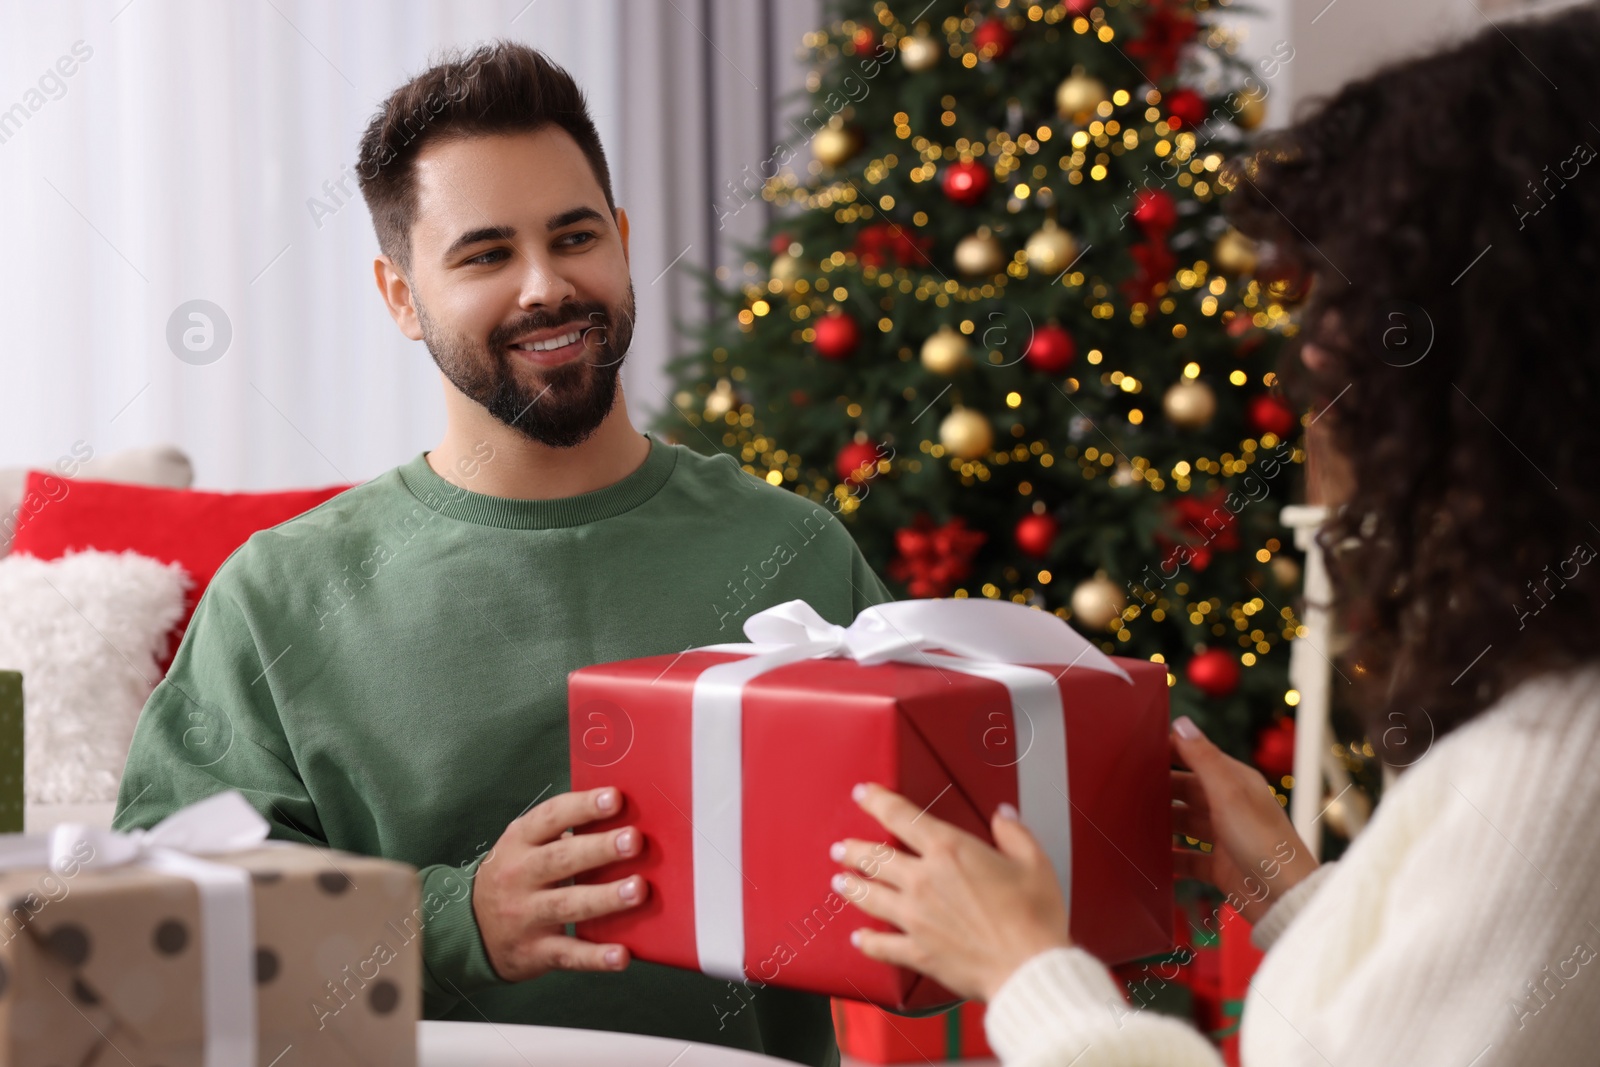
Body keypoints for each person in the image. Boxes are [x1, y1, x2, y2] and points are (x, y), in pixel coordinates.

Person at [830, 4, 1600, 1063]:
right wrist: (1283, 882)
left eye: (1361, 304)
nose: (1316, 355)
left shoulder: (1560, 757)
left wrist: (1024, 971)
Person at [113, 41, 890, 1066]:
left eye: (574, 237)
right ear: (400, 296)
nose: (545, 287)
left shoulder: (792, 550)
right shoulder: (278, 596)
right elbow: (153, 933)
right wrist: (455, 919)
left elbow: (930, 841)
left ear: (619, 239)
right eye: (484, 255)